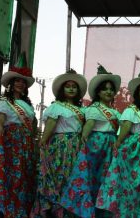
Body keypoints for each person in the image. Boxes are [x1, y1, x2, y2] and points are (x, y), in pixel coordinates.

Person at [96, 67, 140, 217]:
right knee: (134, 184)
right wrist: (118, 143)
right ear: (137, 94)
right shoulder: (131, 110)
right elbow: (125, 128)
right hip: (136, 151)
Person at [60, 64, 121, 217]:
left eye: (111, 89)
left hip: (110, 145)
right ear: (98, 92)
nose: (108, 91)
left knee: (106, 178)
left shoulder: (115, 112)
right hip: (96, 145)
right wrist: (82, 142)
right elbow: (89, 125)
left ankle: (101, 210)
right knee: (92, 177)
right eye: (105, 89)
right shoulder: (94, 109)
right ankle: (88, 210)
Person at [0, 66, 37, 217]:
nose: (21, 84)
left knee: (24, 175)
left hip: (26, 142)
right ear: (11, 84)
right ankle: (7, 210)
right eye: (17, 81)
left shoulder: (28, 106)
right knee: (11, 174)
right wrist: (0, 130)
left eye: (23, 82)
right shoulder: (5, 102)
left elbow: (33, 126)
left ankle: (20, 209)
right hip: (12, 140)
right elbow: (1, 119)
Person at [33, 69, 87, 217]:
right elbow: (50, 126)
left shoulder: (83, 110)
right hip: (59, 146)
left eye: (74, 86)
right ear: (62, 89)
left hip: (77, 146)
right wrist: (43, 141)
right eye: (68, 86)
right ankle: (55, 210)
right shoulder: (57, 106)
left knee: (73, 178)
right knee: (58, 177)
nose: (71, 89)